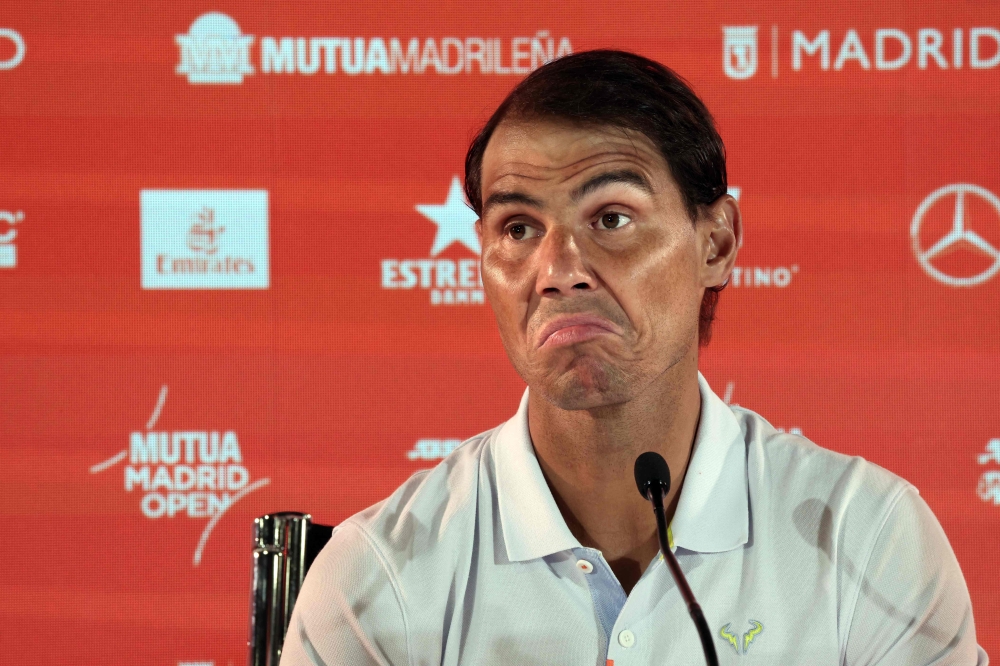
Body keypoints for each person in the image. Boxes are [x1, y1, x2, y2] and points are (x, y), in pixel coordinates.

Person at [280, 50, 986, 665]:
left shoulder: (868, 536)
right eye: (518, 227)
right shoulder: (377, 578)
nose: (558, 268)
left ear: (717, 243)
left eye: (610, 219)